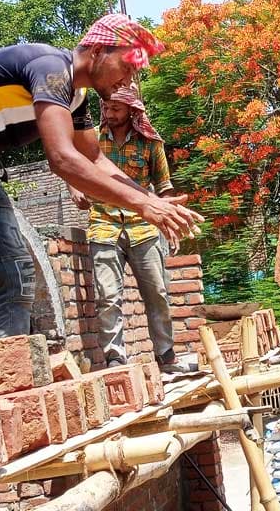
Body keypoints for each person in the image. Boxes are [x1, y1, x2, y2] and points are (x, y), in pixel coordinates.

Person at [0, 14, 203, 341]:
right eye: (128, 66)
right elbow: (62, 159)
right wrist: (143, 206)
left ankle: (6, 375)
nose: (129, 80)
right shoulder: (51, 69)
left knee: (16, 277)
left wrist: (149, 201)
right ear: (97, 52)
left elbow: (94, 158)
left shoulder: (75, 96)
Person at [67, 84, 189, 372]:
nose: (109, 113)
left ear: (132, 111)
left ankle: (166, 357)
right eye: (106, 108)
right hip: (103, 224)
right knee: (107, 296)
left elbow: (165, 188)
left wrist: (169, 221)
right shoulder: (91, 139)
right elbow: (67, 162)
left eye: (116, 109)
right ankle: (115, 359)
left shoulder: (150, 143)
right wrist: (73, 187)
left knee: (157, 293)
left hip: (143, 227)